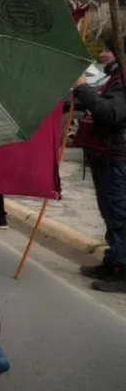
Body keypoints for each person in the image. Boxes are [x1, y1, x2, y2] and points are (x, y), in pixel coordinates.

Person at [72, 36, 126, 293]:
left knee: (119, 216)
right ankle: (113, 261)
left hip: (116, 159)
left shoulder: (122, 82)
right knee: (110, 215)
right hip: (104, 158)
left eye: (108, 50)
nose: (102, 54)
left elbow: (110, 114)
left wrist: (83, 88)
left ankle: (123, 269)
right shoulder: (113, 78)